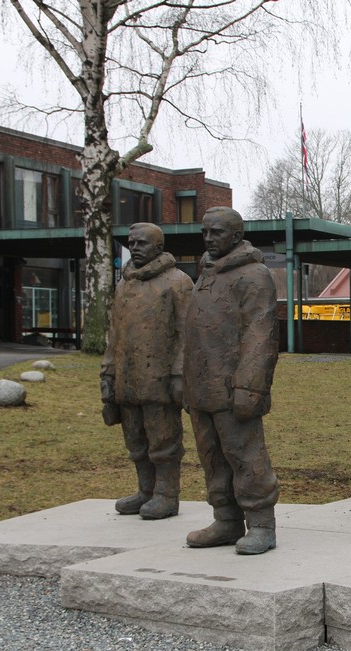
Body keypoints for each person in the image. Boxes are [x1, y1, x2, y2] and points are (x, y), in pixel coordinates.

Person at [183, 206, 280, 555]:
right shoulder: (206, 274)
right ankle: (225, 519)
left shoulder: (254, 276)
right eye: (205, 232)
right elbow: (192, 332)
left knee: (245, 455)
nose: (209, 239)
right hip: (201, 385)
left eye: (217, 233)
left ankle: (261, 523)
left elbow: (261, 334)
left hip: (234, 387)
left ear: (236, 236)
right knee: (211, 456)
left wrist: (250, 386)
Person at [101, 223, 193, 520]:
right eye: (131, 243)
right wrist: (108, 372)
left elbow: (186, 333)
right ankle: (146, 489)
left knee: (163, 439)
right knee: (135, 439)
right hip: (128, 376)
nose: (135, 247)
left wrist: (179, 374)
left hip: (160, 378)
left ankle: (167, 494)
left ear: (158, 246)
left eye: (141, 243)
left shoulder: (178, 282)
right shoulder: (124, 283)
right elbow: (114, 332)